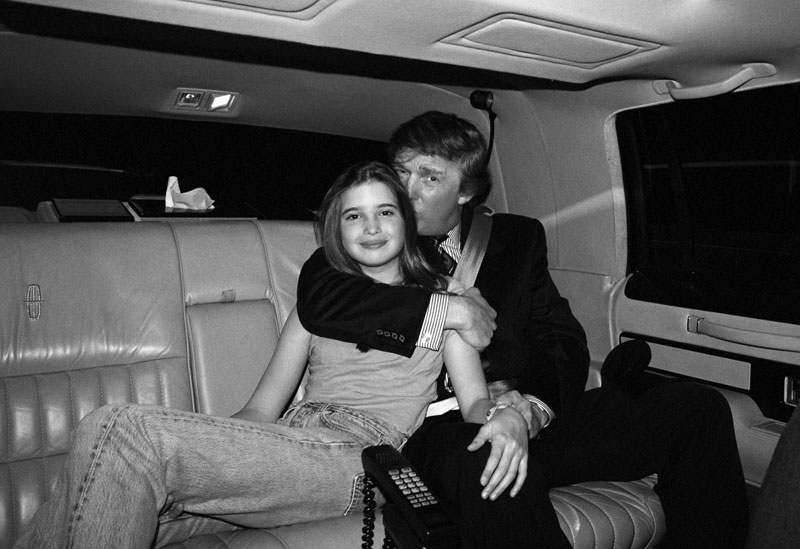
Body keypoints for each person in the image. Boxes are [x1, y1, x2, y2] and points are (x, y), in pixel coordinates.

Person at [14, 161, 527, 548]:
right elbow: (261, 410)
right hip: (291, 446)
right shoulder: (322, 304)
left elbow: (474, 404)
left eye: (385, 212)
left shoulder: (447, 302)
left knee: (120, 428)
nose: (371, 228)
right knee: (91, 494)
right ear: (337, 229)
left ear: (406, 222)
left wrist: (510, 417)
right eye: (354, 216)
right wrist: (216, 446)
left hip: (361, 460)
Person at [297, 111, 750, 547]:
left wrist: (531, 409)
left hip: (520, 412)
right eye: (401, 173)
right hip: (431, 431)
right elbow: (319, 299)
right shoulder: (371, 240)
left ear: (466, 190)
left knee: (695, 407)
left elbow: (562, 342)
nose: (406, 190)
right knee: (488, 452)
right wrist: (451, 310)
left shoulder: (515, 239)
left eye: (429, 177)